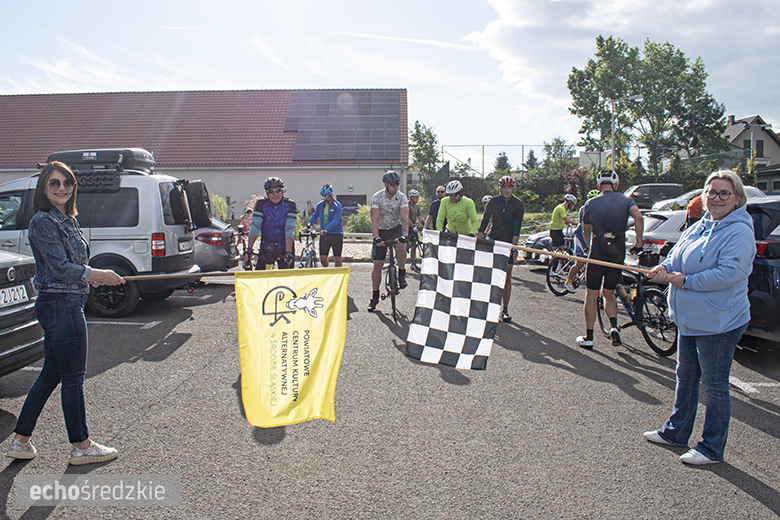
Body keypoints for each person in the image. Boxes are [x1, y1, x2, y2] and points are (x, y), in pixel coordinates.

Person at [6, 162, 125, 465]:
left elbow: (68, 268)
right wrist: (95, 272)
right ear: (44, 188)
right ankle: (81, 446)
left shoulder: (66, 219)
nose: (61, 188)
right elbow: (59, 268)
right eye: (54, 183)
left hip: (65, 301)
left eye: (67, 183)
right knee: (73, 376)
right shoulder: (44, 221)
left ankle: (20, 440)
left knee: (51, 374)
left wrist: (91, 276)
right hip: (60, 304)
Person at [645, 169, 755, 465]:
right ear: (703, 197)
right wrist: (664, 268)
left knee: (715, 385)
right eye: (711, 192)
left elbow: (731, 273)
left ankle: (711, 448)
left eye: (724, 193)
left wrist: (686, 281)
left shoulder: (739, 231)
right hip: (690, 318)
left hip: (718, 321)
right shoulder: (701, 225)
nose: (716, 198)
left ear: (737, 199)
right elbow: (676, 255)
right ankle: (675, 432)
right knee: (685, 376)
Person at [576, 170, 643, 349]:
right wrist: (638, 242)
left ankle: (589, 337)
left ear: (598, 186)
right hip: (617, 252)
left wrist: (588, 246)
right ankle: (613, 327)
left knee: (591, 294)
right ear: (615, 184)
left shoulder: (590, 203)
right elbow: (638, 217)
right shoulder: (627, 200)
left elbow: (586, 229)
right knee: (609, 293)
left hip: (597, 253)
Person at [477, 175, 524, 323]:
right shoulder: (493, 202)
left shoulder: (518, 205)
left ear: (513, 188)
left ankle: (505, 309)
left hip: (508, 241)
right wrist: (478, 239)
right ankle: (486, 307)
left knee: (507, 274)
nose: (506, 190)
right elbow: (485, 221)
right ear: (500, 188)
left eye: (509, 187)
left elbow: (517, 227)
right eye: (504, 187)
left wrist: (513, 246)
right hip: (493, 238)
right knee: (488, 273)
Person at [368, 171, 409, 311]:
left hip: (396, 228)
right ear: (385, 184)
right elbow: (374, 219)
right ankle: (374, 296)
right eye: (392, 184)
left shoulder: (402, 197)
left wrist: (404, 235)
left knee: (401, 246)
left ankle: (401, 274)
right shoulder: (377, 197)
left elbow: (404, 218)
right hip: (381, 230)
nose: (395, 187)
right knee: (378, 264)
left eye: (397, 184)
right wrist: (376, 238)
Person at [245, 177, 297, 270]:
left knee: (286, 281)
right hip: (267, 249)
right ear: (266, 192)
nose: (275, 194)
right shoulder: (261, 204)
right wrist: (249, 249)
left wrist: (288, 251)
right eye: (271, 191)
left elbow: (289, 228)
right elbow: (255, 226)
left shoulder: (290, 205)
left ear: (282, 191)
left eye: (278, 190)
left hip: (285, 248)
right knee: (261, 280)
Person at [564, 189, 601, 293]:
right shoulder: (584, 209)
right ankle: (568, 280)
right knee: (580, 262)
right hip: (580, 237)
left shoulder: (600, 209)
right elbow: (585, 227)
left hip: (591, 237)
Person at [305, 184, 343, 267]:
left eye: (327, 197)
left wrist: (326, 229)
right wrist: (308, 225)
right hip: (324, 235)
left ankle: (338, 275)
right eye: (323, 198)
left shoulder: (338, 206)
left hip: (336, 234)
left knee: (337, 258)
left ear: (331, 195)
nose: (325, 199)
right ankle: (329, 273)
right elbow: (315, 216)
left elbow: (336, 220)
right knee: (323, 259)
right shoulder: (320, 205)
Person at [406, 189, 426, 271]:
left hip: (412, 227)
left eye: (418, 197)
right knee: (409, 244)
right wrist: (413, 226)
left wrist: (425, 225)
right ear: (411, 197)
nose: (417, 199)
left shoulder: (417, 207)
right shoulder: (407, 205)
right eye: (416, 197)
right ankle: (397, 257)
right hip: (406, 227)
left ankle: (412, 263)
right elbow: (406, 217)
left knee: (414, 243)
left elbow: (420, 217)